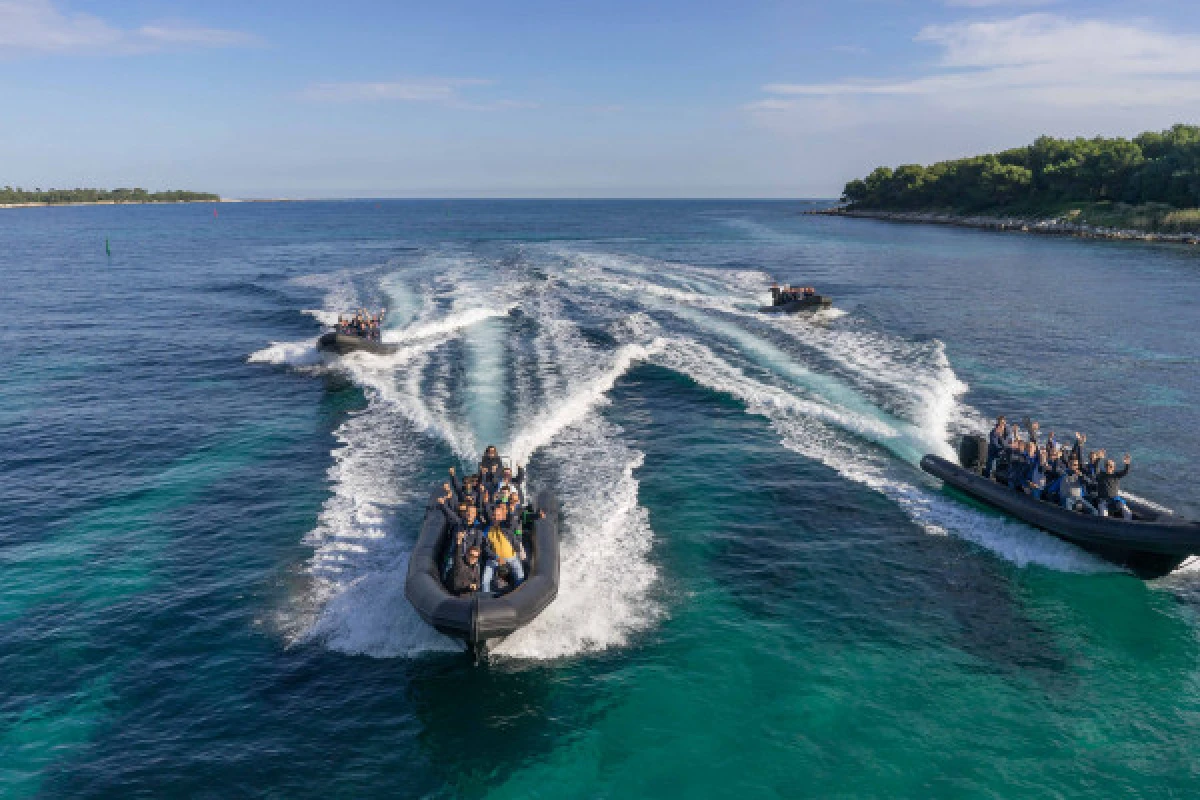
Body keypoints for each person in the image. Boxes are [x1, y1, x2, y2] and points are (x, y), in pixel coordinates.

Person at [482, 518, 524, 594]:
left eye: (498, 516)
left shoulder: (507, 528)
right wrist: (496, 557)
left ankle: (519, 594)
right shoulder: (487, 530)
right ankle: (486, 597)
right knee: (485, 580)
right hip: (494, 558)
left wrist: (519, 550)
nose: (495, 519)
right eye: (494, 516)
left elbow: (516, 538)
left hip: (511, 558)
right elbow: (486, 548)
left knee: (520, 576)